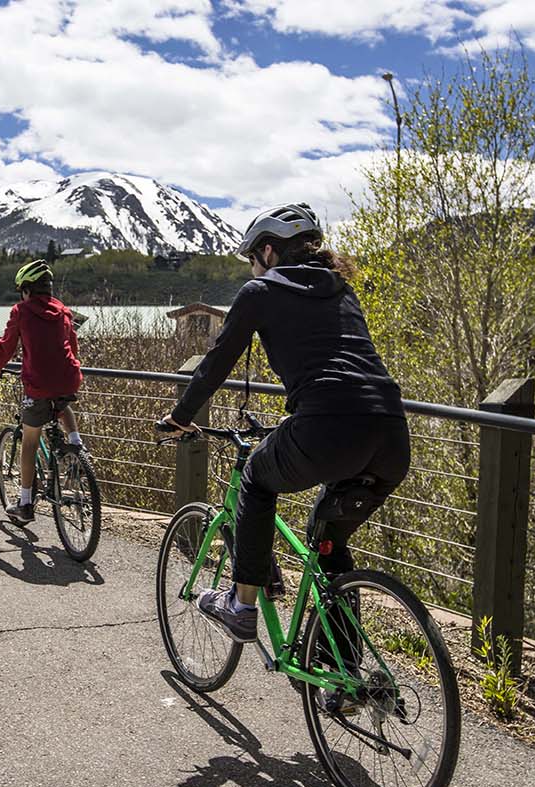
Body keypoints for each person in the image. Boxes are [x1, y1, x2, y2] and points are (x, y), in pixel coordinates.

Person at [161, 203, 408, 646]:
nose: (252, 269)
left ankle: (241, 605)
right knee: (328, 545)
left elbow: (217, 362)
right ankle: (343, 671)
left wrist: (180, 416)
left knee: (256, 478)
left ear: (268, 252)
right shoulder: (342, 290)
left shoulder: (260, 292)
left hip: (328, 426)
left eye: (252, 260)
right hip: (390, 431)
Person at [0, 258, 85, 525]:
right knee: (61, 406)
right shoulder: (63, 312)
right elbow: (72, 347)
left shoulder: (21, 311)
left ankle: (25, 504)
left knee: (28, 443)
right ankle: (76, 447)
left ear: (26, 290)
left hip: (38, 384)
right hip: (69, 378)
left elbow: (6, 346)